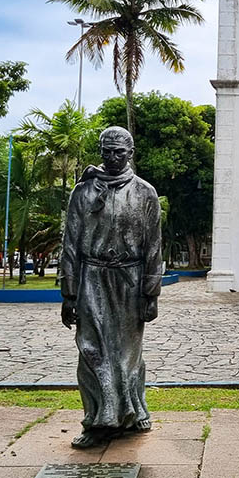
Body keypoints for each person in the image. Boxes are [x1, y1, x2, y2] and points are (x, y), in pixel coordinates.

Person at [59, 126, 164, 448]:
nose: (113, 157)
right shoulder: (84, 192)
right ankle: (97, 421)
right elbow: (71, 244)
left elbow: (154, 246)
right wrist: (69, 293)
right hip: (91, 279)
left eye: (120, 151)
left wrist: (151, 292)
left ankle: (132, 413)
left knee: (127, 355)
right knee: (90, 350)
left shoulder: (145, 193)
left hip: (130, 282)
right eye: (107, 150)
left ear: (130, 153)